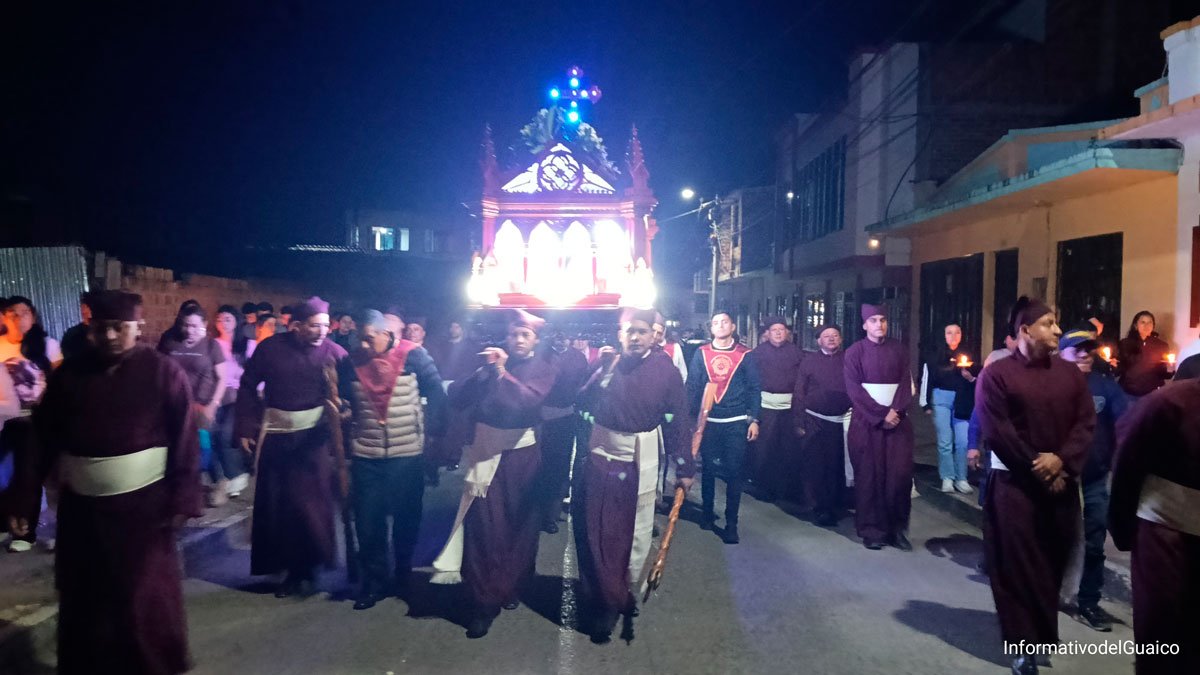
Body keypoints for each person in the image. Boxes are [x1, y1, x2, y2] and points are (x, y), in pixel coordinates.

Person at [29, 290, 201, 674]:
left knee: (141, 600)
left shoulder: (163, 372)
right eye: (102, 328)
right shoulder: (70, 375)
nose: (109, 337)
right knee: (86, 600)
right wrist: (23, 498)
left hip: (143, 513)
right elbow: (43, 437)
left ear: (137, 328)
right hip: (83, 514)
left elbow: (185, 438)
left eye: (119, 328)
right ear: (91, 328)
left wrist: (183, 497)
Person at [976, 298, 1095, 675]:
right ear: (1025, 330)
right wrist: (1038, 467)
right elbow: (999, 431)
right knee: (1018, 566)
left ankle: (1041, 634)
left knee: (1052, 563)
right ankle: (1022, 646)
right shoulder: (996, 375)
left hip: (1060, 487)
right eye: (1048, 323)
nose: (1057, 330)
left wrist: (1061, 460)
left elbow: (1085, 422)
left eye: (1056, 322)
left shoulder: (1070, 375)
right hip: (1015, 485)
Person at [432, 309, 556, 638]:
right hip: (485, 453)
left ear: (536, 340)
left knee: (519, 526)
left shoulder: (543, 369)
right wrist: (483, 373)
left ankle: (512, 585)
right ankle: (482, 601)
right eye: (513, 334)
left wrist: (501, 372)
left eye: (524, 335)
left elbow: (526, 402)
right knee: (484, 527)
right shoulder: (490, 367)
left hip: (521, 457)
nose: (517, 340)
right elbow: (457, 397)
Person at [573, 308, 693, 643]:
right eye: (630, 331)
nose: (635, 337)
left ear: (656, 335)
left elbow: (677, 419)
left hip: (639, 462)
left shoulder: (666, 372)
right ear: (620, 334)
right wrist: (602, 375)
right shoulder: (606, 365)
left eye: (642, 331)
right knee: (596, 530)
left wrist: (684, 467)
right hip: (600, 458)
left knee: (631, 534)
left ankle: (620, 592)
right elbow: (580, 404)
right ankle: (603, 597)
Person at [236, 296, 349, 598]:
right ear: (296, 325)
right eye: (314, 326)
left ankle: (309, 568)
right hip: (278, 439)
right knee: (280, 507)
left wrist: (345, 414)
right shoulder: (270, 350)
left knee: (308, 507)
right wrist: (246, 426)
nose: (322, 331)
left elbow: (351, 392)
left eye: (325, 326)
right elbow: (248, 385)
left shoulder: (334, 353)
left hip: (313, 443)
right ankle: (288, 570)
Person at [338, 310, 445, 610]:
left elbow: (436, 395)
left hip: (406, 453)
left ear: (386, 334)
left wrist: (435, 440)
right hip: (366, 454)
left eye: (369, 339)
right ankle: (375, 581)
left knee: (406, 520)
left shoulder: (415, 357)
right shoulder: (351, 362)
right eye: (361, 339)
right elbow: (344, 398)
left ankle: (403, 574)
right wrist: (342, 409)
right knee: (368, 522)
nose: (365, 345)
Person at [1109, 379, 1200, 675]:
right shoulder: (1171, 402)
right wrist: (1124, 528)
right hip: (1166, 534)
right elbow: (1127, 460)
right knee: (1161, 630)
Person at [1057, 328, 1129, 632]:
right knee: (1052, 540)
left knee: (1095, 542)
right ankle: (1048, 593)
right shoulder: (1049, 386)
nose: (1085, 353)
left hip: (1095, 479)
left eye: (1089, 348)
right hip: (1058, 480)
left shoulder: (1105, 387)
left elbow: (1126, 423)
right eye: (1077, 349)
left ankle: (1088, 602)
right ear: (1061, 353)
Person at [844, 303, 915, 551]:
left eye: (883, 320)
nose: (879, 325)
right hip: (867, 423)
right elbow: (854, 391)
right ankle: (872, 530)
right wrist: (882, 414)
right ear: (865, 325)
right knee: (869, 477)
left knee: (898, 477)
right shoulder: (855, 352)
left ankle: (897, 530)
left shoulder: (899, 350)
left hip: (898, 422)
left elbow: (906, 383)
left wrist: (897, 411)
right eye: (873, 320)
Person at [688, 311, 761, 545]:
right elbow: (692, 387)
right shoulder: (701, 354)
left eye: (725, 322)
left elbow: (754, 388)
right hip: (709, 422)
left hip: (735, 422)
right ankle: (707, 513)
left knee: (734, 473)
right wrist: (689, 420)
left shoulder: (745, 355)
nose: (720, 326)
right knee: (707, 470)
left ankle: (731, 523)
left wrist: (754, 419)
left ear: (732, 326)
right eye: (716, 323)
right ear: (711, 329)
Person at [1, 295, 62, 551]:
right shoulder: (2, 346)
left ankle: (25, 532)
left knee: (29, 473)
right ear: (4, 317)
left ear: (33, 316)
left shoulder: (48, 346)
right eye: (12, 313)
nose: (19, 318)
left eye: (24, 313)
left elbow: (60, 383)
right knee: (5, 474)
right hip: (6, 420)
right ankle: (5, 524)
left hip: (37, 421)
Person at [158, 302, 228, 505]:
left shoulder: (211, 346)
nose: (190, 330)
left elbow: (222, 378)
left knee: (203, 447)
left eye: (195, 326)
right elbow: (160, 369)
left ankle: (218, 482)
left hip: (202, 405)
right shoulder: (169, 340)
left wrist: (213, 404)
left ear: (204, 324)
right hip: (174, 403)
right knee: (175, 444)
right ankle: (183, 487)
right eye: (186, 325)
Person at [793, 324, 852, 526]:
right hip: (814, 420)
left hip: (843, 420)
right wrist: (799, 421)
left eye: (835, 335)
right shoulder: (809, 361)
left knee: (838, 465)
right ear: (819, 341)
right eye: (826, 336)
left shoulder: (850, 360)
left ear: (841, 339)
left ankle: (838, 502)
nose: (831, 339)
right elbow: (799, 391)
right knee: (817, 465)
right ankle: (820, 507)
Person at [536, 328, 588, 534]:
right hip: (538, 419)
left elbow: (582, 387)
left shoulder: (577, 358)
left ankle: (551, 513)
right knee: (537, 466)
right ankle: (536, 511)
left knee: (559, 466)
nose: (559, 337)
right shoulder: (541, 355)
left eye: (563, 333)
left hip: (564, 419)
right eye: (555, 332)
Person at [748, 316, 804, 501]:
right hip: (766, 407)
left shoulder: (797, 353)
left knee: (788, 449)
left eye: (782, 329)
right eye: (774, 330)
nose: (779, 333)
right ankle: (764, 487)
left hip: (789, 407)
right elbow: (752, 382)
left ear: (787, 333)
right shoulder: (757, 353)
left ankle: (787, 489)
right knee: (765, 448)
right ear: (767, 333)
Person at [919, 323, 979, 494]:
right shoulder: (934, 356)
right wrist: (926, 404)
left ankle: (962, 477)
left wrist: (969, 377)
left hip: (962, 401)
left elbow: (977, 380)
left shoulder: (968, 355)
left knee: (962, 441)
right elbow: (926, 379)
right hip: (941, 399)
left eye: (957, 332)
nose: (953, 336)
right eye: (949, 333)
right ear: (943, 335)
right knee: (945, 441)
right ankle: (947, 477)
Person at [427, 319, 481, 473]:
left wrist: (459, 384)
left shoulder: (471, 348)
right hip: (441, 388)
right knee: (441, 425)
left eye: (456, 326)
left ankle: (453, 457)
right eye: (451, 325)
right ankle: (439, 456)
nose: (453, 329)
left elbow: (473, 370)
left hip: (461, 390)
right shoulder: (440, 346)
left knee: (457, 426)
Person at [210, 305, 252, 504]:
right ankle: (224, 478)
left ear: (236, 321)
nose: (223, 323)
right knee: (213, 436)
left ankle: (236, 474)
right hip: (218, 397)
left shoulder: (246, 346)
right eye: (219, 319)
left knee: (227, 436)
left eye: (227, 319)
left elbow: (255, 375)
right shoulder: (212, 344)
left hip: (239, 398)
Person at [1116, 311, 1172, 399]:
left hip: (1152, 393)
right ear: (1135, 325)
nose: (1147, 325)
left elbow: (1164, 374)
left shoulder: (1161, 345)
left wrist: (1170, 369)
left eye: (1150, 322)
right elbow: (1119, 369)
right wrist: (1112, 366)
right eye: (1143, 322)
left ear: (1153, 325)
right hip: (1129, 392)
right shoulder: (1125, 343)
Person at [652, 315, 688, 382]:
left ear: (664, 331)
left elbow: (683, 372)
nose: (655, 335)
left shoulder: (674, 347)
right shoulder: (646, 348)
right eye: (653, 331)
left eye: (659, 333)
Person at [59, 293, 92, 361]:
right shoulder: (71, 334)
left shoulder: (105, 332)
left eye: (89, 307)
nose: (85, 310)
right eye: (83, 307)